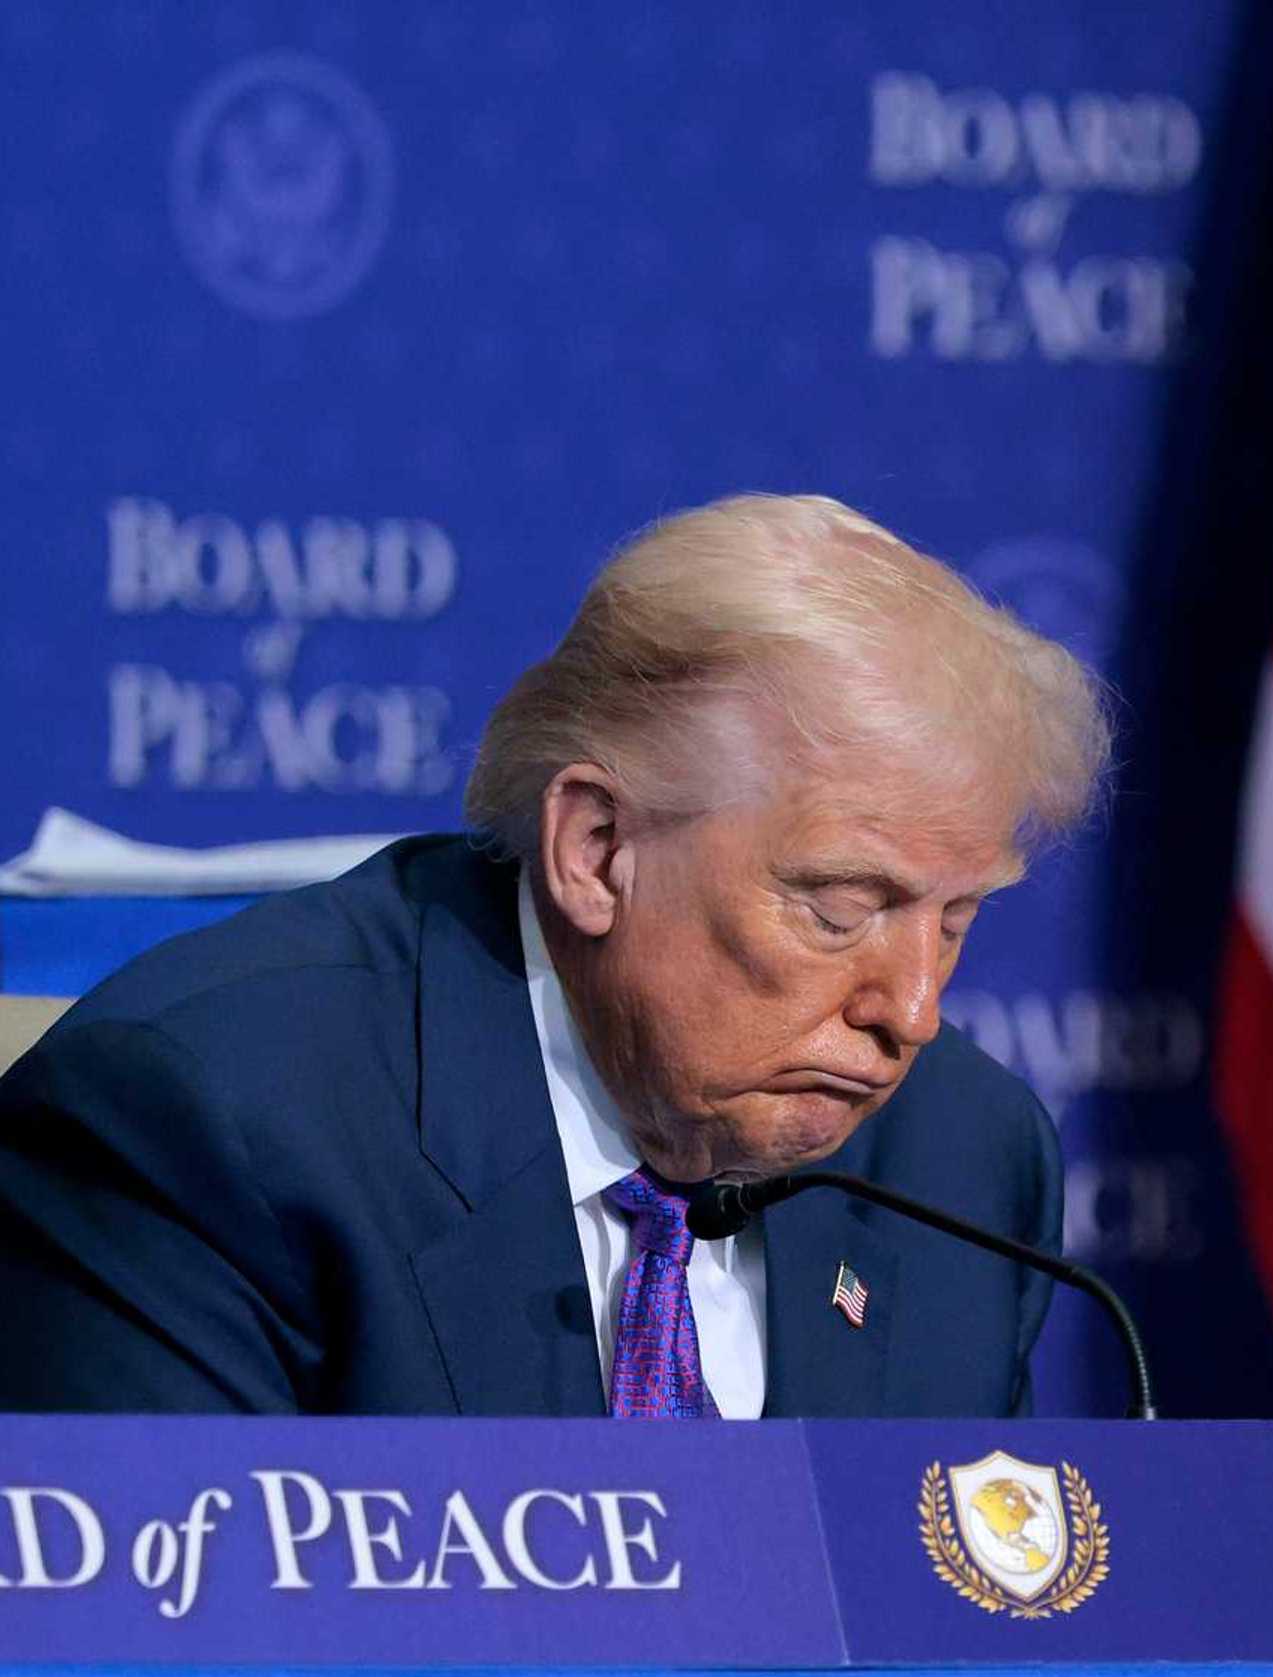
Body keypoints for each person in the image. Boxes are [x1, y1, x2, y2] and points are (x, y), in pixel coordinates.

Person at [0, 495, 1107, 1416]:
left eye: (956, 919)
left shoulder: (965, 1154)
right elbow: (171, 1672)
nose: (911, 1011)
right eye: (839, 908)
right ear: (596, 848)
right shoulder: (209, 1125)